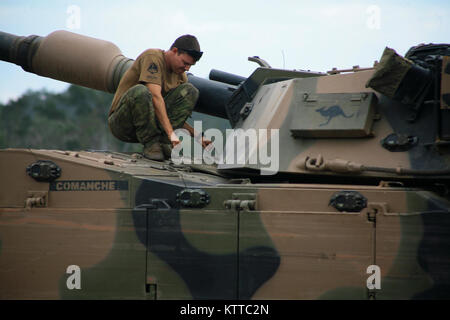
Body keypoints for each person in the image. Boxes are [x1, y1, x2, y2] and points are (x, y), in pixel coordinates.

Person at [108, 34, 210, 161]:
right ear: (175, 51)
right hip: (123, 123)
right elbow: (155, 97)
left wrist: (198, 135)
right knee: (142, 91)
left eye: (190, 65)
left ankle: (161, 143)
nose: (187, 68)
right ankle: (152, 144)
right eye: (185, 63)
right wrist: (171, 133)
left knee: (190, 91)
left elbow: (168, 113)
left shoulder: (180, 76)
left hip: (151, 125)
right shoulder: (153, 58)